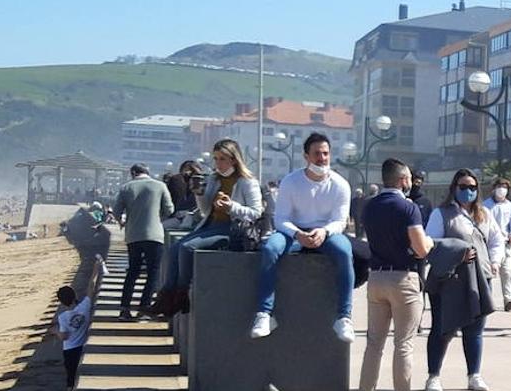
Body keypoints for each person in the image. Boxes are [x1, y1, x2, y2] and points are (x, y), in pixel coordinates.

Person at [251, 133, 355, 343]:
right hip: (293, 232)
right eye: (316, 154)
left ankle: (344, 317)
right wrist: (298, 233)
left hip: (326, 234)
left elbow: (340, 221)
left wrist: (323, 232)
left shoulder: (340, 184)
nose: (322, 158)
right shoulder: (291, 181)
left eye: (325, 153)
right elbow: (281, 219)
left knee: (345, 251)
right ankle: (265, 313)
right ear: (306, 156)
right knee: (270, 249)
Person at [354, 159, 435, 391]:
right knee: (403, 344)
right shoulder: (408, 207)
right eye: (409, 178)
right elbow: (421, 248)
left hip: (376, 278)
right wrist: (430, 243)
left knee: (374, 343)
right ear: (402, 180)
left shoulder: (369, 205)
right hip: (403, 279)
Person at [150, 140, 264, 317]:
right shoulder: (214, 179)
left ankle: (181, 295)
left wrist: (231, 207)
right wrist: (199, 195)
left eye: (222, 159)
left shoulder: (247, 181)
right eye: (216, 159)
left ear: (234, 159)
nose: (218, 163)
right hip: (211, 224)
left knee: (187, 248)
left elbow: (256, 213)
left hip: (233, 230)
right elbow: (205, 211)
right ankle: (166, 297)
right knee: (175, 249)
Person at [424, 169, 505, 391]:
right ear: (454, 188)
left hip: (480, 278)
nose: (468, 191)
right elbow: (431, 243)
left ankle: (474, 375)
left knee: (475, 329)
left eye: (472, 187)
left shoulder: (484, 214)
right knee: (442, 328)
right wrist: (458, 252)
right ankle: (434, 375)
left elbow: (497, 240)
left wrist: (496, 261)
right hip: (450, 279)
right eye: (463, 187)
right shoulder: (441, 214)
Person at [112, 163, 173, 319]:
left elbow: (117, 211)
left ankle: (124, 309)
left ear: (133, 173)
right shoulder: (160, 186)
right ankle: (144, 308)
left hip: (133, 236)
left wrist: (122, 221)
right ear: (148, 172)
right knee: (153, 272)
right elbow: (169, 209)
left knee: (133, 271)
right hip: (155, 235)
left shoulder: (126, 188)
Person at [53, 256, 105, 391]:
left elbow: (64, 337)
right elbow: (91, 286)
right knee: (79, 374)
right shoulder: (84, 307)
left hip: (69, 350)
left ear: (61, 302)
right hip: (82, 346)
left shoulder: (63, 317)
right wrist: (96, 268)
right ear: (75, 296)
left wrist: (54, 331)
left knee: (70, 377)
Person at [484, 178, 511, 312]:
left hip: (505, 244)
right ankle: (487, 301)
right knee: (488, 273)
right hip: (490, 244)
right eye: (499, 186)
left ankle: (508, 300)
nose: (501, 189)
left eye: (504, 187)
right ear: (493, 188)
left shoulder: (510, 206)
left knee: (506, 272)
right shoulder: (486, 205)